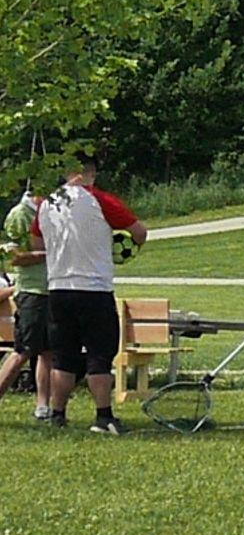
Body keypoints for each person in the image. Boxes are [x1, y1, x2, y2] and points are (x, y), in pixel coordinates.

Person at [38, 152, 147, 433]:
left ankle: (57, 414)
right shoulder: (100, 199)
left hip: (58, 288)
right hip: (94, 288)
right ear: (91, 172)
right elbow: (139, 232)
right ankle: (103, 416)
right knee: (99, 355)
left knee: (63, 356)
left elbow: (36, 241)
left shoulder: (46, 203)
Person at [0, 186, 53, 419]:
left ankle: (43, 406)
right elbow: (15, 258)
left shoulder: (48, 211)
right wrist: (50, 253)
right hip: (32, 291)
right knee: (23, 350)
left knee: (47, 352)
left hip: (51, 289)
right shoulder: (20, 215)